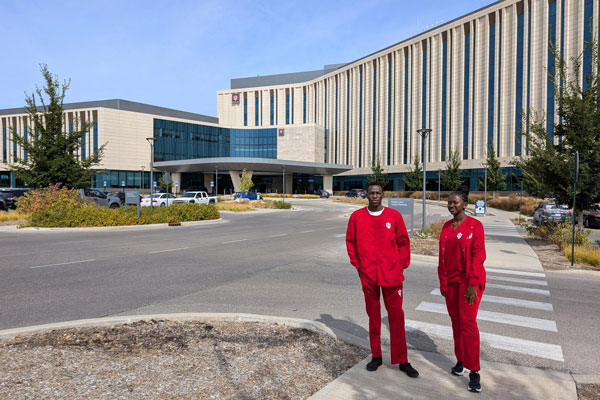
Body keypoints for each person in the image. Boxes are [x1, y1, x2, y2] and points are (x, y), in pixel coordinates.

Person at [346, 181, 419, 378]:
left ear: (383, 195)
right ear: (367, 195)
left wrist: (401, 265)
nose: (375, 196)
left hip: (392, 276)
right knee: (374, 317)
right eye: (372, 193)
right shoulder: (356, 217)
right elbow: (350, 243)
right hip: (368, 276)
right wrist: (359, 267)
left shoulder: (393, 217)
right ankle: (376, 355)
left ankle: (402, 360)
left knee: (396, 317)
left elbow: (403, 242)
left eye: (378, 193)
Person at [438, 186, 486, 393]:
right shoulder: (447, 227)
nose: (451, 205)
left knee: (468, 324)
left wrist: (473, 284)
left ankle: (474, 371)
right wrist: (443, 283)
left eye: (455, 202)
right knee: (456, 323)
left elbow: (478, 256)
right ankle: (461, 361)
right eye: (449, 202)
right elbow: (442, 258)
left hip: (470, 285)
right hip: (451, 284)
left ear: (465, 205)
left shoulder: (475, 226)